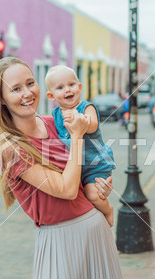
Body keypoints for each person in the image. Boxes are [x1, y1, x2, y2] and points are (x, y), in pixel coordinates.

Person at [0, 57, 129, 279]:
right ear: (1, 98)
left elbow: (86, 165)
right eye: (15, 89)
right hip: (59, 240)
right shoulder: (11, 148)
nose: (27, 93)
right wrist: (77, 137)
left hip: (95, 232)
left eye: (30, 83)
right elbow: (65, 189)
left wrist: (99, 185)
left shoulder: (55, 123)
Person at [45, 65, 115, 227]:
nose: (68, 90)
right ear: (51, 95)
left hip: (95, 164)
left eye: (71, 84)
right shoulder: (55, 115)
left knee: (93, 195)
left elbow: (92, 125)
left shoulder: (86, 107)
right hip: (74, 166)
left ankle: (108, 211)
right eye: (60, 87)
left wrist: (80, 119)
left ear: (79, 87)